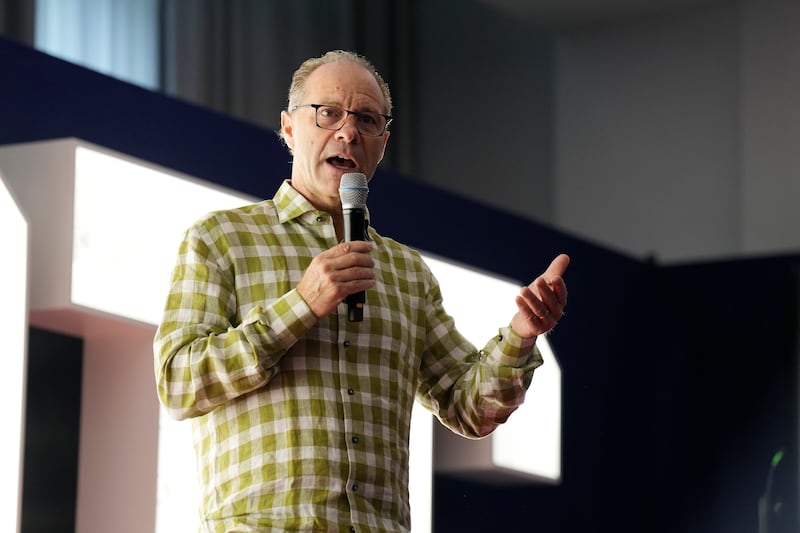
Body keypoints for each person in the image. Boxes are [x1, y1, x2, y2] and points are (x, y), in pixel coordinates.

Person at [154, 49, 569, 533]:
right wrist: (301, 306)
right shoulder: (221, 240)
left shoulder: (406, 272)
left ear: (382, 144)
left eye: (366, 119)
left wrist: (521, 333)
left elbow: (469, 408)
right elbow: (178, 384)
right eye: (328, 112)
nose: (347, 132)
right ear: (289, 128)